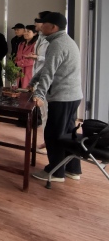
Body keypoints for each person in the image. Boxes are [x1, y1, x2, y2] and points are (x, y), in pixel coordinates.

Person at [29, 12, 83, 183]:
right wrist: (34, 80)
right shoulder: (65, 41)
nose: (40, 26)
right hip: (72, 96)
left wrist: (39, 94)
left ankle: (56, 172)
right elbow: (49, 67)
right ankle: (73, 169)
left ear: (53, 27)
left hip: (62, 97)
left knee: (54, 134)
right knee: (68, 134)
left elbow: (49, 73)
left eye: (43, 23)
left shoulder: (57, 44)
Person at [28, 11, 51, 153]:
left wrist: (37, 57)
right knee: (43, 113)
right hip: (39, 78)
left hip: (46, 81)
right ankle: (47, 141)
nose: (35, 23)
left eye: (37, 20)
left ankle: (50, 144)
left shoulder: (51, 40)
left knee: (47, 113)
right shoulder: (41, 38)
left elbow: (50, 60)